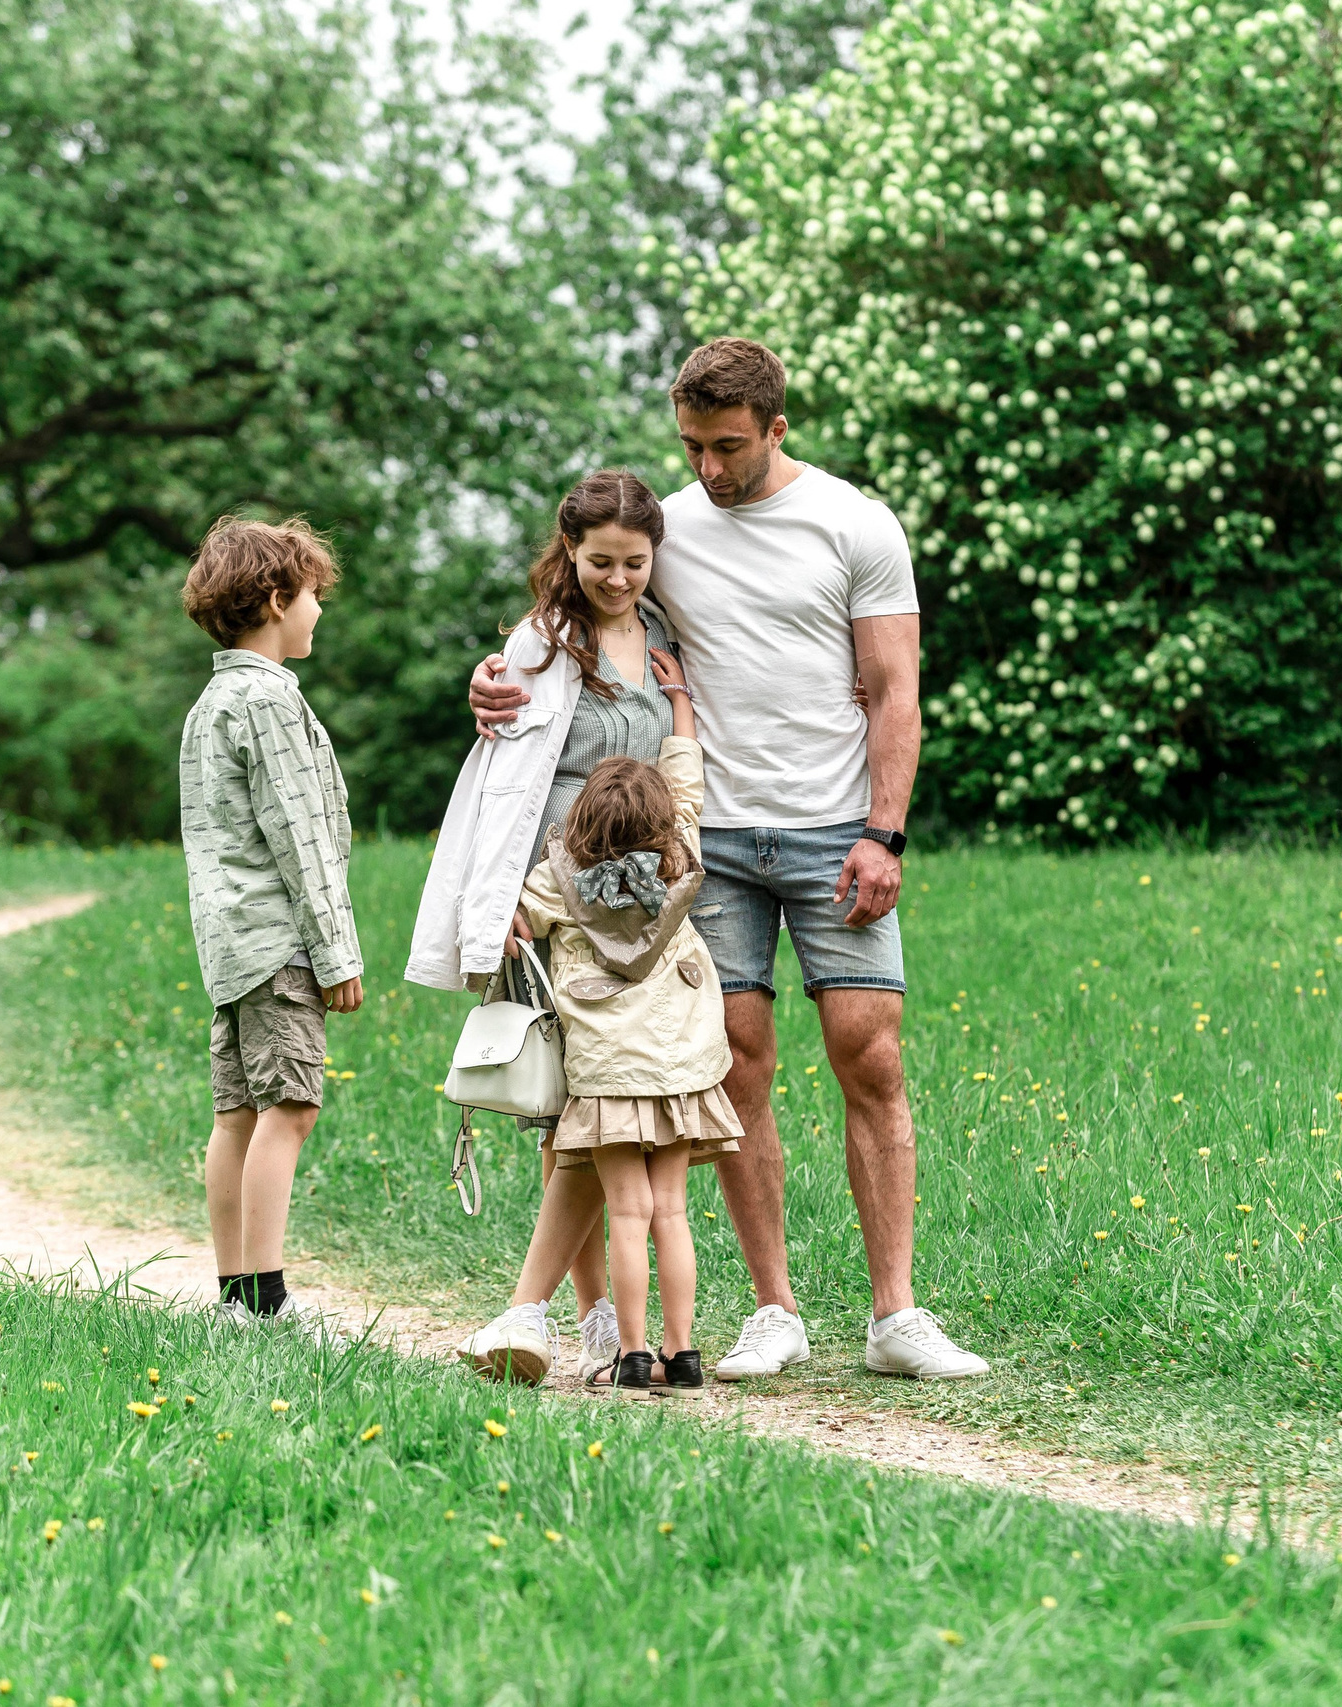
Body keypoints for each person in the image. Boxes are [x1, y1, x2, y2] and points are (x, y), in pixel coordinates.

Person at [468, 338, 988, 1381]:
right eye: (692, 447)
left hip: (834, 828)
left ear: (777, 429)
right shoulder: (665, 530)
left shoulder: (856, 524)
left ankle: (896, 1316)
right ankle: (772, 1308)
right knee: (736, 1062)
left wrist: (884, 831)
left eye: (729, 447)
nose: (707, 469)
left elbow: (895, 691)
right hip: (704, 852)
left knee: (868, 1053)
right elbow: (579, 619)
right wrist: (492, 679)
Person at [408, 470, 678, 1384]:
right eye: (599, 561)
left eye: (634, 562)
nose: (617, 578)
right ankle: (546, 1309)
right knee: (582, 1114)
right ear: (569, 552)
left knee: (605, 1116)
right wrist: (509, 902)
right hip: (556, 901)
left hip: (642, 909)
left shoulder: (664, 636)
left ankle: (593, 1316)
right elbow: (503, 783)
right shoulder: (540, 646)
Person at [178, 516, 364, 1325]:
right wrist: (335, 951)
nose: (320, 610)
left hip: (229, 944)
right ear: (277, 597)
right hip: (279, 939)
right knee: (290, 1107)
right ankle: (265, 1298)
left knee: (240, 1114)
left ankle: (233, 1294)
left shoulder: (212, 702)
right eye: (315, 595)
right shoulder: (267, 702)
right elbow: (300, 833)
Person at [515, 742, 737, 1392]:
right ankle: (683, 1351)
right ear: (660, 825)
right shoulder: (679, 861)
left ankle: (633, 1354)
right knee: (671, 1210)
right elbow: (688, 792)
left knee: (628, 1212)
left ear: (582, 820)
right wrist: (680, 714)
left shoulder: (557, 879)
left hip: (609, 1072)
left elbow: (516, 924)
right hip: (678, 1069)